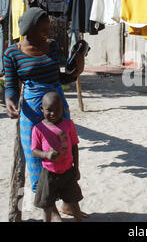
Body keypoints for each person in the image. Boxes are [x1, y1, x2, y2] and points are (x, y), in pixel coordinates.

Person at [3, 7, 85, 218]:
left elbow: (59, 78)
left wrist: (76, 70)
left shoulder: (52, 46)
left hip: (58, 108)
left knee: (65, 155)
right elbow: (11, 86)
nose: (48, 33)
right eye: (43, 29)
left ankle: (68, 203)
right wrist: (9, 101)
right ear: (29, 29)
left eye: (48, 28)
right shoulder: (12, 53)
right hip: (32, 114)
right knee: (37, 160)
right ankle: (50, 209)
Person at [31, 92, 83, 222]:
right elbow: (34, 150)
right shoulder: (38, 129)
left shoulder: (68, 124)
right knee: (46, 205)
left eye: (57, 109)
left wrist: (76, 167)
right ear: (42, 109)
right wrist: (46, 154)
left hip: (67, 171)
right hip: (48, 173)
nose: (53, 113)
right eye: (49, 110)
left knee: (73, 201)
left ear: (63, 109)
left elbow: (74, 147)